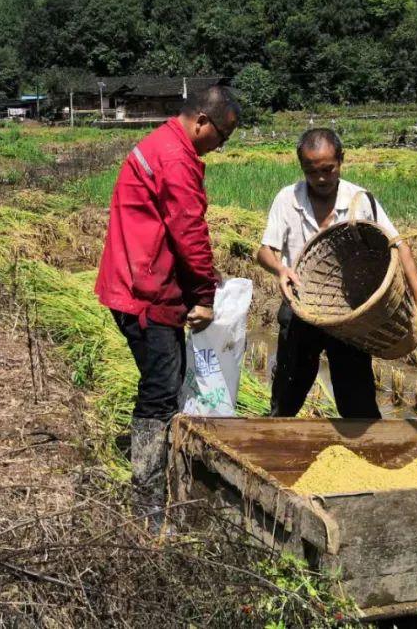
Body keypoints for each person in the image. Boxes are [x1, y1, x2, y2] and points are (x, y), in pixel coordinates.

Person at [95, 84, 241, 525]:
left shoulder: (161, 143)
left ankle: (160, 479)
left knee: (168, 382)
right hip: (145, 293)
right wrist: (203, 296)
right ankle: (147, 500)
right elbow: (189, 231)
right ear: (201, 121)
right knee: (161, 391)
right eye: (223, 134)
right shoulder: (177, 158)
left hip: (134, 278)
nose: (221, 145)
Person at [256, 128, 417, 419]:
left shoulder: (360, 200)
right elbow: (264, 251)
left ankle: (364, 453)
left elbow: (400, 246)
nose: (322, 178)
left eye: (329, 169)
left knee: (357, 399)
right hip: (301, 309)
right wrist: (280, 268)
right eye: (312, 171)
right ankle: (278, 441)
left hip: (350, 313)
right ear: (302, 167)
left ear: (341, 160)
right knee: (287, 395)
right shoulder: (287, 199)